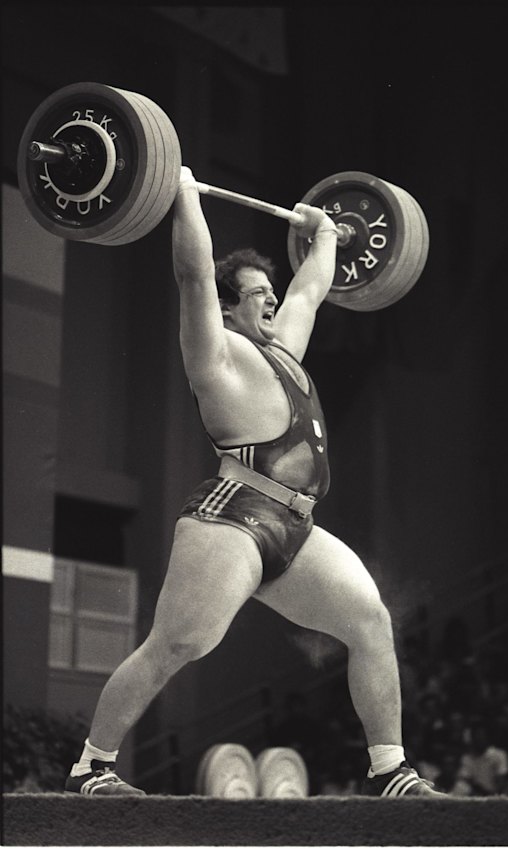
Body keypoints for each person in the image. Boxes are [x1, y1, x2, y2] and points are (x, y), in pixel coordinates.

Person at [65, 166, 443, 798]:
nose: (272, 298)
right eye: (256, 292)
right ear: (228, 306)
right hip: (233, 515)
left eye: (271, 290)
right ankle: (91, 766)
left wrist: (328, 233)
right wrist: (183, 193)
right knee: (180, 643)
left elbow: (312, 290)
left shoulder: (283, 352)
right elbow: (193, 273)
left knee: (371, 622)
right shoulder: (214, 353)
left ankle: (390, 771)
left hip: (296, 525)